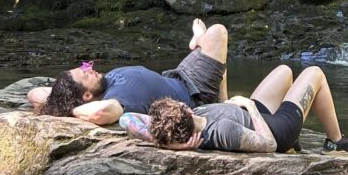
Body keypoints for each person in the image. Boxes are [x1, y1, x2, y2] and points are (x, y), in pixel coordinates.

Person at [28, 19, 227, 125]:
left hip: (178, 75)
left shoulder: (98, 86)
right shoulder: (114, 102)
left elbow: (34, 93)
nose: (89, 68)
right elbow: (99, 113)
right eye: (85, 74)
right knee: (218, 32)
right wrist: (72, 111)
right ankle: (221, 101)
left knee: (215, 49)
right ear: (87, 95)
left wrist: (57, 103)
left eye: (84, 67)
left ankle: (199, 43)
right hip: (196, 93)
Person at [148, 64, 348, 155]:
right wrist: (250, 106)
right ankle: (335, 141)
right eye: (180, 106)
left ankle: (299, 139)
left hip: (254, 116)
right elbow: (269, 145)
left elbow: (130, 120)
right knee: (315, 72)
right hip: (277, 131)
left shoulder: (194, 120)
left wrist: (174, 146)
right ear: (184, 112)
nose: (183, 103)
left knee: (284, 71)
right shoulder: (223, 130)